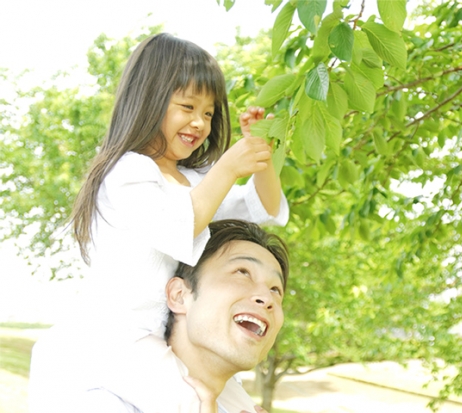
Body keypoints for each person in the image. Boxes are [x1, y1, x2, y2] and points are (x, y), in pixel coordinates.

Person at [29, 33, 288, 413]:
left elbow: (262, 209)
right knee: (191, 405)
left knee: (243, 407)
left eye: (210, 113)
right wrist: (230, 166)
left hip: (166, 337)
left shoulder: (195, 179)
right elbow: (178, 227)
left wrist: (261, 155)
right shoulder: (127, 172)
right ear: (148, 99)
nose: (199, 123)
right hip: (118, 335)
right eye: (187, 106)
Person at [68, 220, 289, 413]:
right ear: (179, 295)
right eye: (243, 272)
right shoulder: (104, 402)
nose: (267, 298)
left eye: (275, 290)